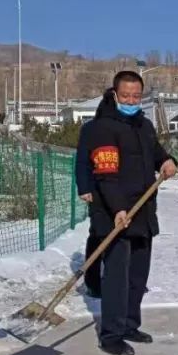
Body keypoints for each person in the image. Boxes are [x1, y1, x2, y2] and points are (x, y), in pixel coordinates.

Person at [88, 71, 178, 355]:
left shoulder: (145, 125)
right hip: (116, 212)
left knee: (138, 274)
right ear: (115, 95)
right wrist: (117, 209)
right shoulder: (105, 128)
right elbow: (105, 176)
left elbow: (157, 153)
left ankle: (129, 324)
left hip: (142, 210)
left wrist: (167, 161)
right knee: (116, 276)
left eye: (136, 96)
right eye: (125, 95)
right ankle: (111, 334)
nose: (130, 100)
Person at [75, 108, 103, 298]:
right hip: (98, 191)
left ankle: (125, 281)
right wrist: (85, 187)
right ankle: (93, 282)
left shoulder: (129, 128)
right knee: (98, 234)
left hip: (125, 193)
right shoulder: (91, 129)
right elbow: (83, 161)